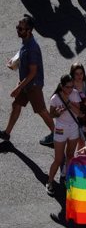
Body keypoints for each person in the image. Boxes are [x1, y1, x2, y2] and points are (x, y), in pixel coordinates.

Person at [0, 15, 55, 143]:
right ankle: (7, 133)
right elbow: (25, 59)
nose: (17, 30)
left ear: (29, 31)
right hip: (26, 84)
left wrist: (18, 87)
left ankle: (55, 134)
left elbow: (33, 72)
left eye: (20, 28)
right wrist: (15, 62)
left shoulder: (32, 48)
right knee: (16, 105)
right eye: (17, 27)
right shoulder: (26, 42)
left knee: (41, 110)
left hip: (32, 86)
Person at [45, 74, 82, 195]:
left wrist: (69, 104)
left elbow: (80, 114)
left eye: (72, 86)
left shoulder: (75, 94)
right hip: (61, 129)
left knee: (70, 155)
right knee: (58, 159)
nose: (70, 89)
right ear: (61, 86)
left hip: (73, 128)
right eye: (67, 87)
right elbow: (51, 115)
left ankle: (67, 178)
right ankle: (49, 182)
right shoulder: (55, 98)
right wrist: (58, 112)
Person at [70, 62, 86, 152]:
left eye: (81, 73)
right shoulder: (69, 85)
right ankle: (71, 161)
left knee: (82, 139)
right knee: (73, 141)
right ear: (72, 74)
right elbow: (64, 99)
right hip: (73, 115)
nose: (79, 76)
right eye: (76, 74)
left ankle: (79, 161)